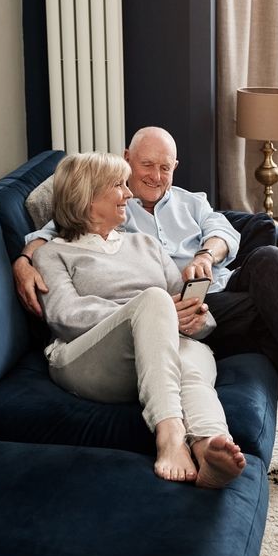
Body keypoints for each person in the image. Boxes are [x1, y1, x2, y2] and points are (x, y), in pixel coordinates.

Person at [15, 127, 278, 475]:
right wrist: (24, 259)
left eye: (165, 167)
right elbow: (63, 226)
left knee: (269, 257)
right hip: (149, 316)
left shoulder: (187, 203)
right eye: (145, 167)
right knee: (273, 316)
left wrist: (205, 257)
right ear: (127, 160)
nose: (155, 177)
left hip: (200, 299)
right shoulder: (107, 215)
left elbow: (223, 232)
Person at [33, 150, 246, 489]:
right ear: (86, 197)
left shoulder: (145, 244)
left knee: (188, 362)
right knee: (155, 302)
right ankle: (170, 435)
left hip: (157, 355)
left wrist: (196, 319)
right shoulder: (52, 253)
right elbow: (64, 316)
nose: (130, 194)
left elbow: (182, 305)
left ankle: (209, 449)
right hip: (89, 359)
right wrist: (145, 312)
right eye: (119, 185)